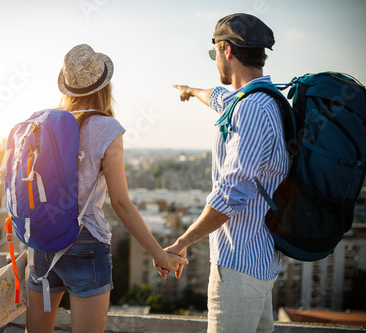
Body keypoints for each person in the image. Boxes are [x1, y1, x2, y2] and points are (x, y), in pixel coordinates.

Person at [25, 44, 188, 333]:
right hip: (85, 242)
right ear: (104, 86)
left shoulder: (43, 124)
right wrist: (159, 254)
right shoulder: (107, 128)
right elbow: (121, 203)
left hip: (41, 241)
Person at [157, 13, 290, 333]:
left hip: (239, 267)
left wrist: (181, 242)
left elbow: (232, 193)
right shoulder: (260, 99)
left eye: (214, 52)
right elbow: (218, 98)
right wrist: (191, 90)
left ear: (226, 50)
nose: (215, 60)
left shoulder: (251, 109)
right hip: (259, 263)